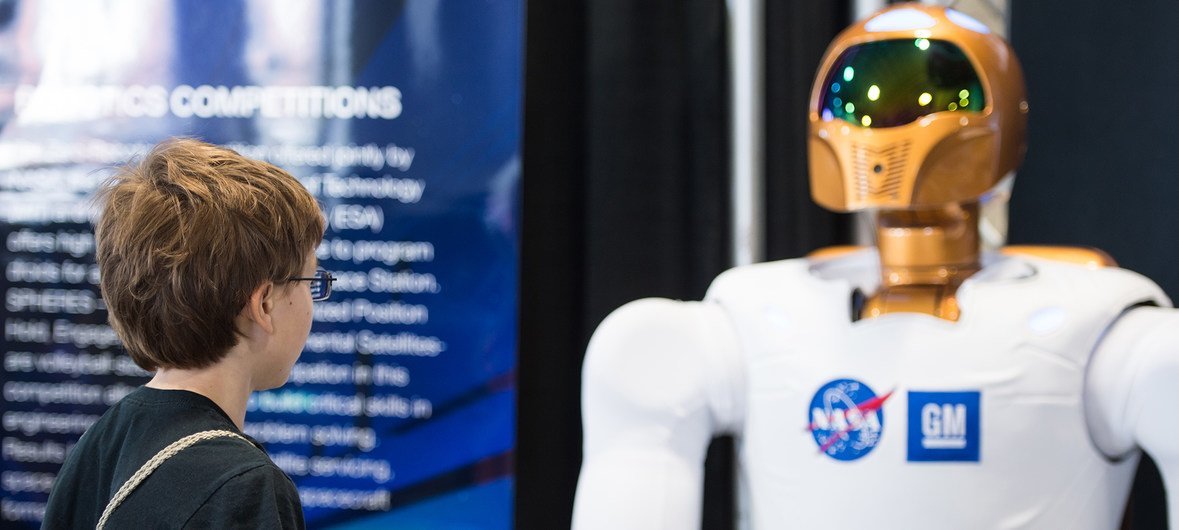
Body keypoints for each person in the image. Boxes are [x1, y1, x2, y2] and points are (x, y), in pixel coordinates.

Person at [573, 4, 1179, 529]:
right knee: (639, 352)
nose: (886, 128)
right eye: (862, 102)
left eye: (924, 100)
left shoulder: (1096, 325)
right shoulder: (763, 316)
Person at [42, 138, 332, 529]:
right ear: (263, 305)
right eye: (311, 282)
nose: (313, 301)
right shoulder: (245, 486)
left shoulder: (101, 443)